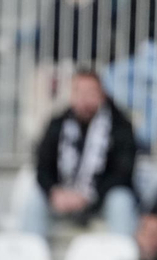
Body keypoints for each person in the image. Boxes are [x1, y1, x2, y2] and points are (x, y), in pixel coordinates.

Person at [26, 69, 138, 238]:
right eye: (79, 92)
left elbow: (122, 173)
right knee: (35, 199)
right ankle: (29, 252)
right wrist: (54, 192)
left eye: (90, 92)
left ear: (102, 95)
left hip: (101, 198)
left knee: (121, 200)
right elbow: (42, 168)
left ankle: (124, 252)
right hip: (63, 197)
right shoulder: (57, 123)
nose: (85, 99)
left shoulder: (120, 126)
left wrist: (88, 196)